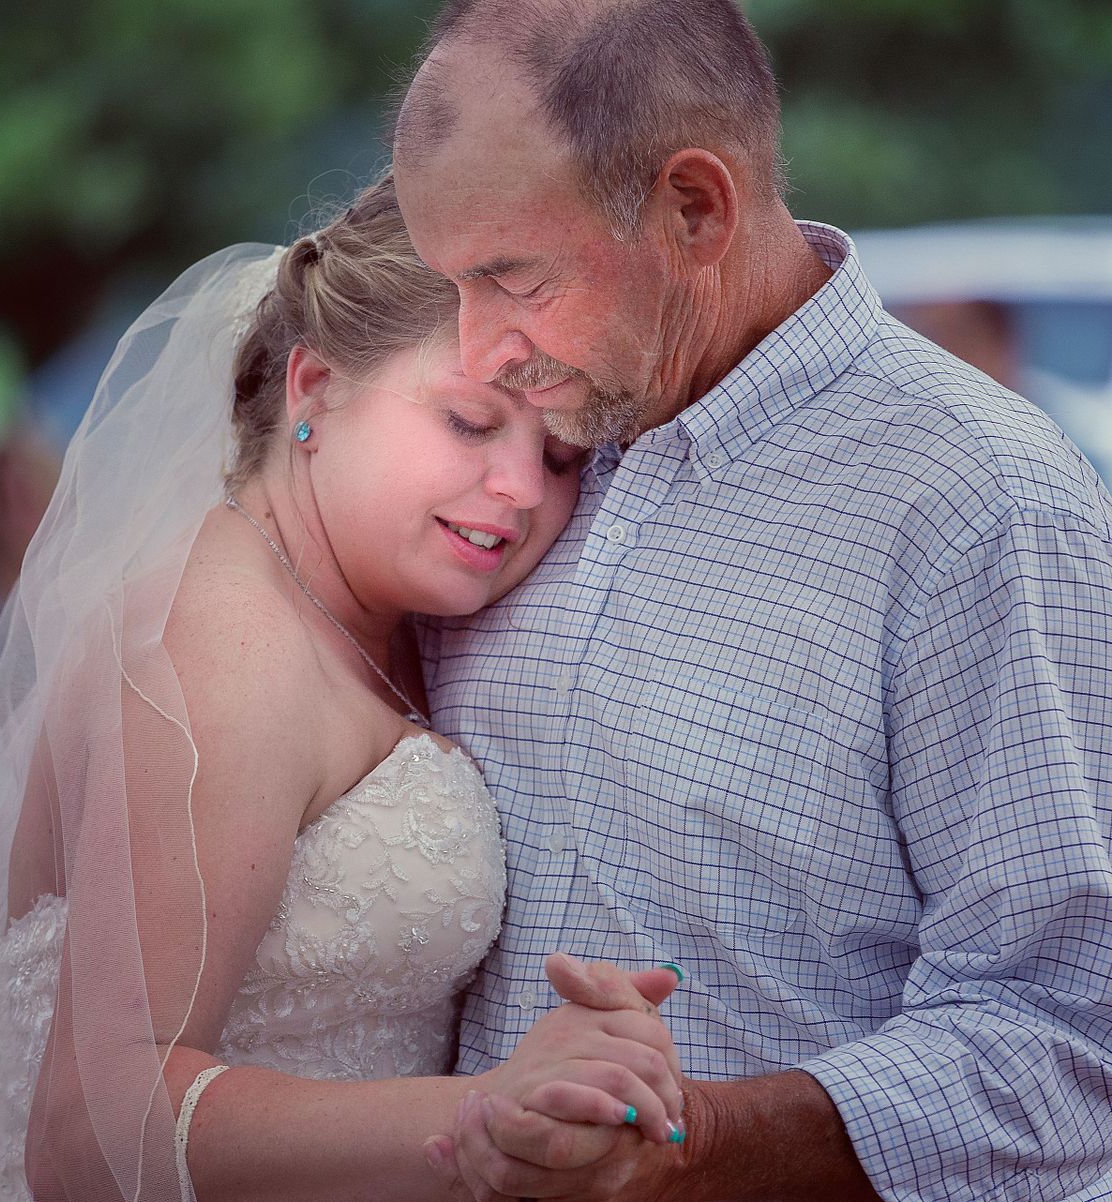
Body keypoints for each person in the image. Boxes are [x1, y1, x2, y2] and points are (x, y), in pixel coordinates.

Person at [391, 2, 1112, 1199]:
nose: (479, 352)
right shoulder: (502, 456)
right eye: (453, 285)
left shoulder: (982, 502)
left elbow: (1066, 1035)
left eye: (514, 278)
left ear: (695, 209)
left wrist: (697, 1144)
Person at [0, 174, 688, 1202]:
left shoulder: (369, 610)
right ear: (315, 386)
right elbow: (89, 1134)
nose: (520, 487)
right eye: (471, 421)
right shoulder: (218, 645)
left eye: (558, 453)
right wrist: (485, 1110)